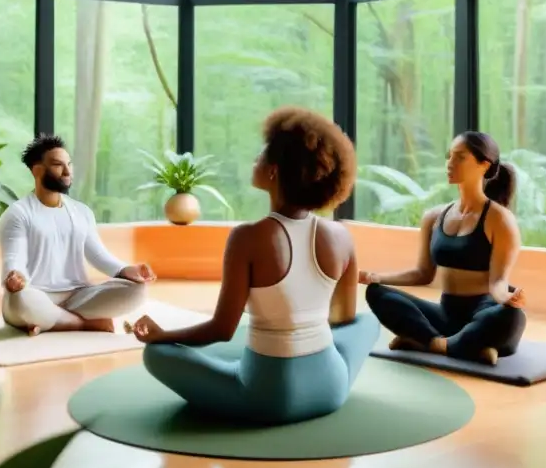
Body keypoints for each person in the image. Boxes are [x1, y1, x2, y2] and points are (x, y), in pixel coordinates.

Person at [130, 107, 380, 425]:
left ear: (274, 172)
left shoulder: (247, 237)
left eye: (260, 156)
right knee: (367, 323)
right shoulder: (340, 235)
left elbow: (221, 330)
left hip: (268, 397)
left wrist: (162, 334)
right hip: (331, 386)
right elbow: (343, 318)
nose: (254, 162)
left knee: (156, 355)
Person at [361, 131, 526, 366]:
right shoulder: (434, 217)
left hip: (484, 311)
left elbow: (498, 282)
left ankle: (426, 341)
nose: (450, 163)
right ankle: (463, 346)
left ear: (484, 165)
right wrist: (376, 277)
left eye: (460, 157)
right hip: (445, 314)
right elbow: (423, 273)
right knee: (376, 293)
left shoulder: (500, 220)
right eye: (449, 156)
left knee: (511, 316)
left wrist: (508, 298)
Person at [0, 134, 155, 336]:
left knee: (137, 290)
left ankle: (53, 320)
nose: (67, 171)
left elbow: (98, 256)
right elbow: (14, 259)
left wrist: (127, 270)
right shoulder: (18, 214)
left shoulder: (82, 212)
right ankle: (82, 324)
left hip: (78, 296)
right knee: (21, 300)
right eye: (57, 165)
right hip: (35, 294)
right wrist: (14, 276)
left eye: (69, 164)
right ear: (37, 170)